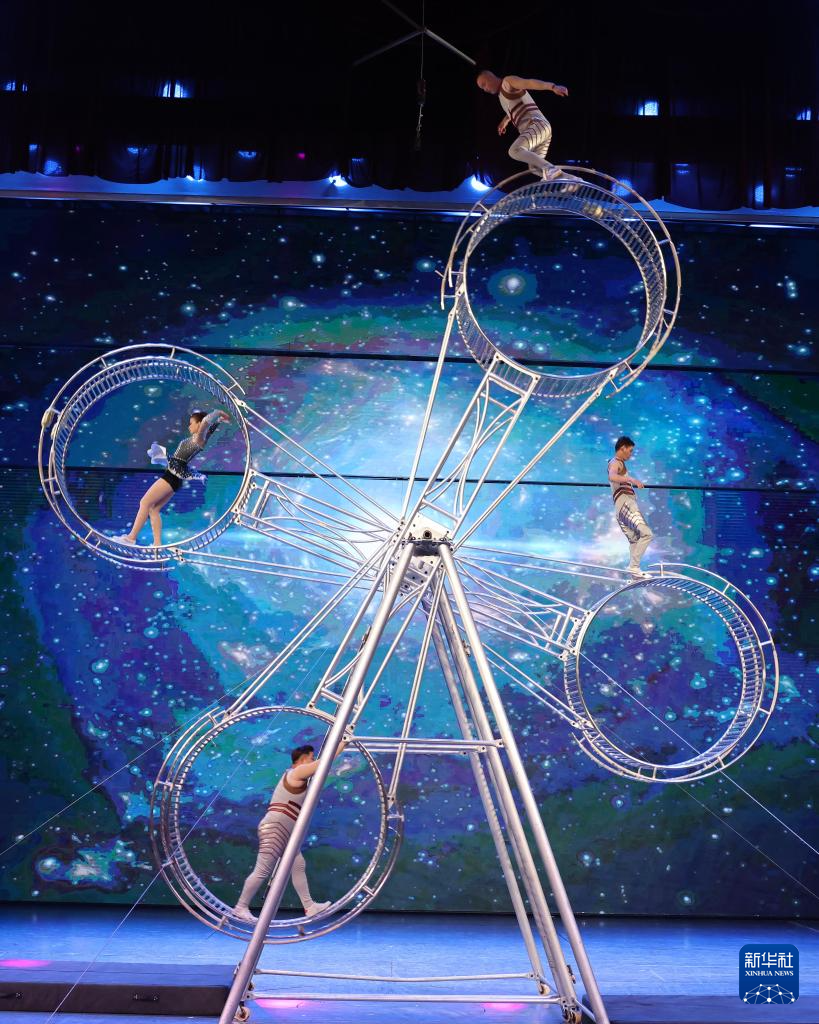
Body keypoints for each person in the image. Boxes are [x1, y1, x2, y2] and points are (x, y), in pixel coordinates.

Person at [232, 739, 347, 925]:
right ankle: (240, 907)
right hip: (276, 828)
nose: (313, 761)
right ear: (303, 759)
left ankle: (309, 907)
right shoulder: (297, 772)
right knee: (262, 870)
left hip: (284, 830)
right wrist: (341, 745)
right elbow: (324, 762)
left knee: (298, 864)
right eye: (311, 758)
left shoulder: (298, 776)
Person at [114, 408, 229, 548]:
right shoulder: (198, 439)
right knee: (153, 509)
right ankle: (157, 544)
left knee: (144, 503)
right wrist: (219, 421)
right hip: (174, 478)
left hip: (172, 476)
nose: (189, 426)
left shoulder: (199, 439)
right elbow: (209, 429)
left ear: (199, 425)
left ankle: (131, 538)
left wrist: (218, 412)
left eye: (191, 423)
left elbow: (206, 423)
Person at [476, 69, 579, 185]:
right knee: (534, 168)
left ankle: (550, 169)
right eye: (482, 88)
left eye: (484, 84)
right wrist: (505, 121)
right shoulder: (501, 96)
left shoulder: (508, 82)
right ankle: (573, 180)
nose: (485, 89)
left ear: (491, 77)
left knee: (514, 151)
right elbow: (513, 109)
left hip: (537, 126)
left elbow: (529, 83)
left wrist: (552, 86)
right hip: (539, 132)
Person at [608, 435, 653, 574]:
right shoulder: (616, 462)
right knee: (647, 534)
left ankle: (634, 572)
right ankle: (634, 567)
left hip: (620, 508)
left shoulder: (618, 463)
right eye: (630, 450)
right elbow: (612, 476)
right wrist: (632, 480)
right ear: (623, 448)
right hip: (625, 504)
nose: (631, 454)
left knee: (634, 540)